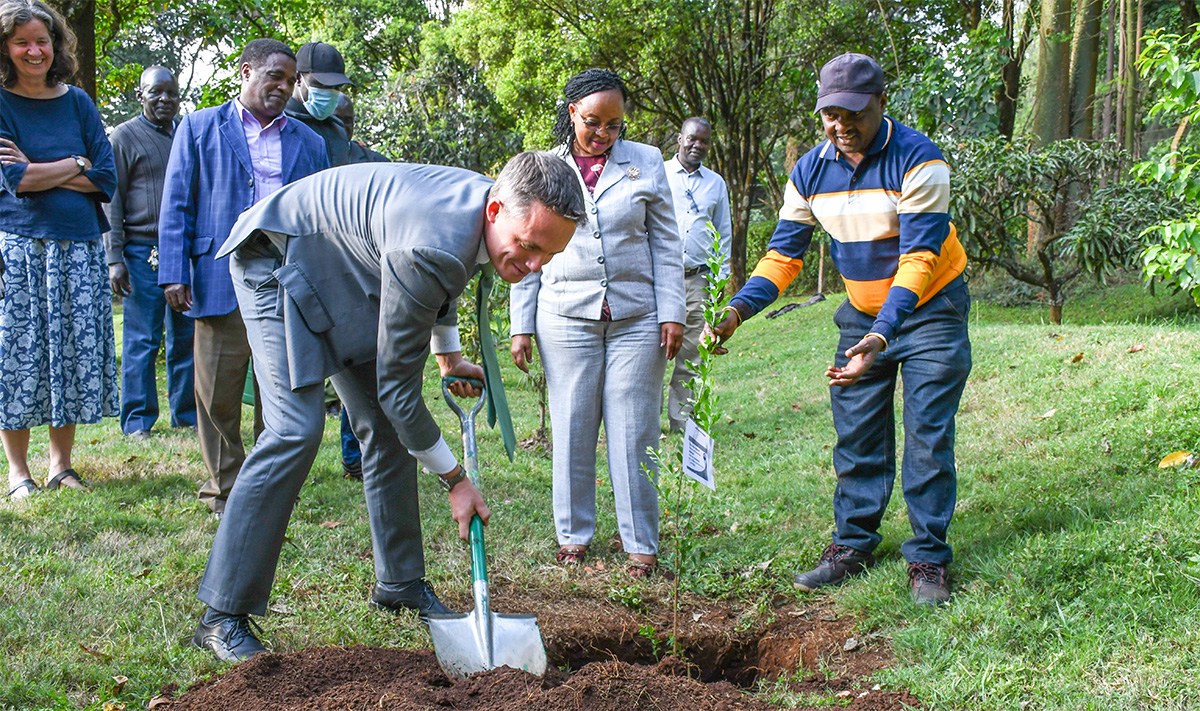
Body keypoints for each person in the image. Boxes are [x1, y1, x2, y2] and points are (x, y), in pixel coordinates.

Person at [189, 152, 586, 663]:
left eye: (548, 257)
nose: (533, 266)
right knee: (295, 429)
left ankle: (399, 582)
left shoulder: (488, 208)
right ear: (496, 212)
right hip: (277, 258)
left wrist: (448, 356)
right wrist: (456, 479)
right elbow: (401, 385)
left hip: (344, 270)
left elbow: (448, 280)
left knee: (381, 421)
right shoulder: (435, 239)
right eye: (528, 248)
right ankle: (221, 616)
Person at [705, 53, 971, 607]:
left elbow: (920, 259)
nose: (841, 125)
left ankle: (927, 558)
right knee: (857, 436)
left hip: (929, 313)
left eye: (853, 112)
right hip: (861, 311)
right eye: (830, 113)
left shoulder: (920, 160)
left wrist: (881, 336)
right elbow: (783, 256)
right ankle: (853, 547)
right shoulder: (809, 171)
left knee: (927, 437)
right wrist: (736, 313)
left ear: (881, 102)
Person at [509, 69, 685, 578]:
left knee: (634, 431)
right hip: (564, 315)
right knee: (571, 427)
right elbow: (526, 244)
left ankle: (641, 547)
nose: (603, 133)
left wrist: (673, 311)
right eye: (593, 122)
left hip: (638, 316)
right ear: (572, 115)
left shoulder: (647, 162)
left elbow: (666, 242)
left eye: (614, 124)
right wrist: (521, 323)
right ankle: (573, 537)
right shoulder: (545, 168)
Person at [157, 38, 328, 518]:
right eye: (274, 74)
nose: (282, 85)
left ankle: (272, 485)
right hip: (217, 276)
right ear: (246, 71)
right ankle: (225, 487)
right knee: (217, 392)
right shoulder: (198, 127)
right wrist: (174, 271)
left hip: (285, 277)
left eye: (290, 79)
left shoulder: (309, 142)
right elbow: (176, 205)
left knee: (280, 389)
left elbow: (322, 215)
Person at [0, 0, 118, 500]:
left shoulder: (79, 103)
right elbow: (15, 180)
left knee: (68, 354)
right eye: (22, 41)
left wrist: (48, 168)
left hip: (79, 249)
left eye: (43, 40)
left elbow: (107, 179)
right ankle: (17, 472)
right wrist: (77, 163)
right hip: (20, 250)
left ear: (56, 45)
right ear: (5, 47)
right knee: (17, 356)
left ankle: (61, 466)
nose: (35, 50)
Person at [104, 66, 196, 441]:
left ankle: (187, 415)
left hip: (184, 252)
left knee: (186, 336)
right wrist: (115, 258)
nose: (165, 100)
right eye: (156, 93)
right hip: (142, 251)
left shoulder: (188, 133)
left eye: (171, 93)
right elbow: (112, 198)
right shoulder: (124, 137)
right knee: (143, 338)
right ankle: (138, 421)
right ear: (140, 96)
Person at [663, 116, 732, 432]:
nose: (697, 145)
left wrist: (720, 283)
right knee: (650, 351)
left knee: (692, 352)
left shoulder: (716, 183)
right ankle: (644, 423)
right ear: (680, 139)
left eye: (704, 141)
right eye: (692, 138)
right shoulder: (659, 174)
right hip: (660, 279)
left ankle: (680, 423)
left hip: (698, 279)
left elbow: (723, 234)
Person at [285, 41, 352, 167]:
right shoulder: (279, 123)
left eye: (336, 87)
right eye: (321, 84)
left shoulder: (337, 130)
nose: (329, 92)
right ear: (298, 78)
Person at [335, 93, 389, 164]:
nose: (343, 126)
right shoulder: (316, 159)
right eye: (337, 120)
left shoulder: (377, 162)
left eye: (348, 120)